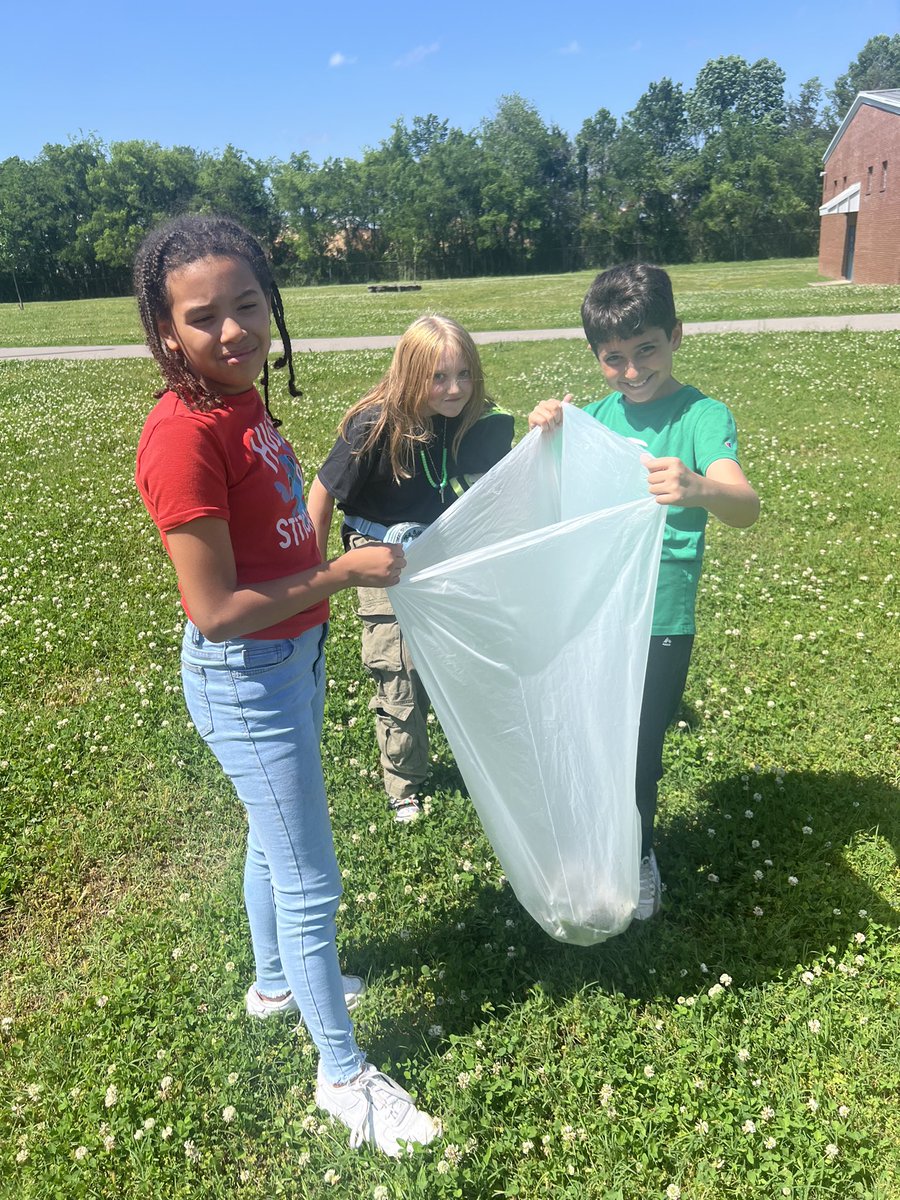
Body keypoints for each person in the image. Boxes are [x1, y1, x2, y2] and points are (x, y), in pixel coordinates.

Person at [133, 214, 438, 1156]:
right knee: (312, 881)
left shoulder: (242, 402)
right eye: (202, 317)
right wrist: (341, 575)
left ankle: (275, 984)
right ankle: (341, 1076)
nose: (233, 331)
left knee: (273, 846)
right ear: (165, 330)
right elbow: (217, 610)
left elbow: (279, 525)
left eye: (248, 305)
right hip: (247, 676)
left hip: (289, 660)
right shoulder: (182, 436)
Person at [528, 263, 759, 920]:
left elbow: (745, 505)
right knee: (587, 737)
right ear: (596, 357)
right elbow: (543, 492)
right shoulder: (593, 418)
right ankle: (592, 848)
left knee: (636, 750)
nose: (632, 371)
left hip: (660, 618)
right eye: (614, 358)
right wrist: (545, 432)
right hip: (594, 613)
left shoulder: (701, 416)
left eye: (647, 350)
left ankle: (635, 856)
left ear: (676, 335)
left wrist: (699, 487)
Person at [308, 315, 514, 823]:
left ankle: (483, 758)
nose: (454, 388)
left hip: (439, 547)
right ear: (410, 374)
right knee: (398, 669)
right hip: (379, 550)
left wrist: (547, 428)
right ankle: (404, 782)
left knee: (462, 658)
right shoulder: (373, 425)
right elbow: (322, 493)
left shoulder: (475, 420)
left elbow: (505, 484)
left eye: (464, 374)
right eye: (438, 377)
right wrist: (311, 577)